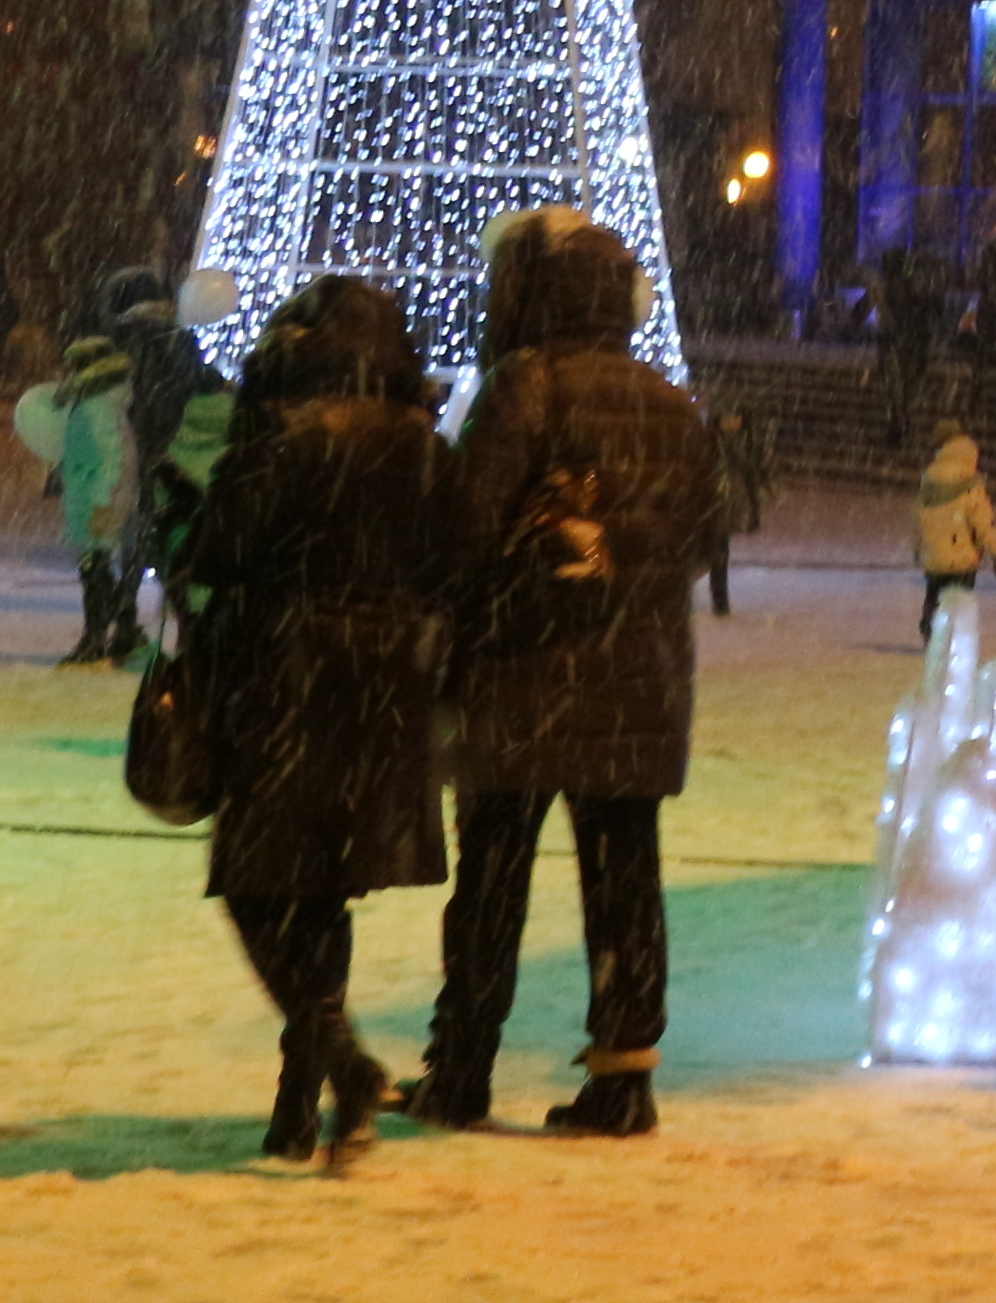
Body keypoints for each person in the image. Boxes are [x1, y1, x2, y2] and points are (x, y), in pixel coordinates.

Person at [418, 210, 722, 1138]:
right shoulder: (671, 404)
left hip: (523, 676)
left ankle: (461, 1068)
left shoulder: (527, 385)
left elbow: (464, 531)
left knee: (494, 877)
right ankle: (625, 1078)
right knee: (626, 878)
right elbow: (704, 542)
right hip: (640, 685)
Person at [179, 275, 451, 1162]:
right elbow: (454, 561)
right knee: (325, 890)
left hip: (285, 676)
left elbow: (216, 549)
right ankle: (301, 1107)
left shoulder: (285, 437)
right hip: (386, 689)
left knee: (259, 884)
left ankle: (338, 1061)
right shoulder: (424, 447)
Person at [47, 328, 138, 666]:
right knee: (96, 570)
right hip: (91, 496)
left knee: (95, 571)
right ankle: (113, 631)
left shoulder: (97, 406)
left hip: (97, 501)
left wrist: (101, 503)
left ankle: (98, 637)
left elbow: (112, 459)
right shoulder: (98, 401)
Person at [915, 431, 996, 639]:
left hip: (934, 554)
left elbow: (920, 519)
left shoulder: (929, 479)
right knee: (961, 600)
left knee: (934, 593)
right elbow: (983, 524)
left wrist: (920, 548)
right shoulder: (971, 486)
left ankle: (930, 626)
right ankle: (954, 636)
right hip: (962, 556)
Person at [705, 398, 773, 617]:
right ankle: (719, 600)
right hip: (714, 501)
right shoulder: (714, 443)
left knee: (719, 550)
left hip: (724, 503)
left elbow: (754, 475)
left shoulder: (743, 444)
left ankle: (720, 600)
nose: (732, 423)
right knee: (716, 550)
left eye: (735, 419)